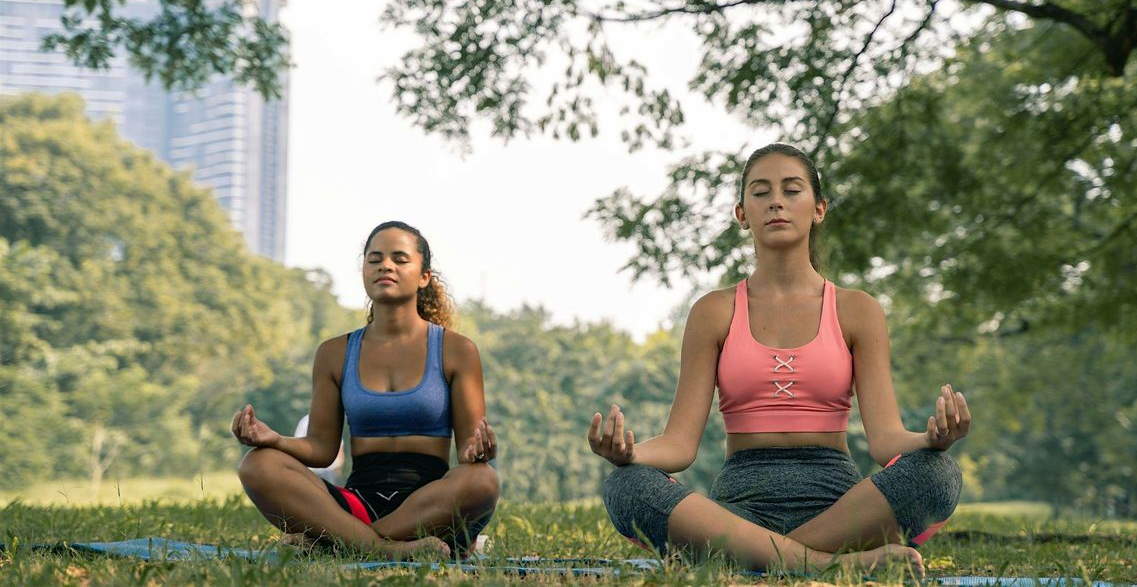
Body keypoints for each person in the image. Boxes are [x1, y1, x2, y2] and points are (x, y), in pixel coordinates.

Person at [589, 143, 968, 577]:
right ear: (741, 213)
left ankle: (754, 559)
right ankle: (825, 566)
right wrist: (627, 454)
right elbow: (678, 445)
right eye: (760, 192)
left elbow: (885, 442)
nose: (776, 202)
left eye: (791, 190)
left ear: (818, 208)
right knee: (626, 487)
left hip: (840, 511)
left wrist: (932, 441)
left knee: (938, 474)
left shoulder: (856, 309)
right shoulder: (714, 311)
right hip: (740, 508)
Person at [232, 221, 500, 559]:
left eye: (399, 259)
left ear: (424, 276)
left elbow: (467, 453)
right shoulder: (334, 352)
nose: (385, 265)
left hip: (429, 506)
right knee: (258, 465)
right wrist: (275, 441)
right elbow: (322, 448)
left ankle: (338, 542)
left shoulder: (456, 350)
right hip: (356, 504)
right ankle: (383, 550)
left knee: (482, 481)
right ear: (363, 270)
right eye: (374, 259)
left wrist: (479, 454)